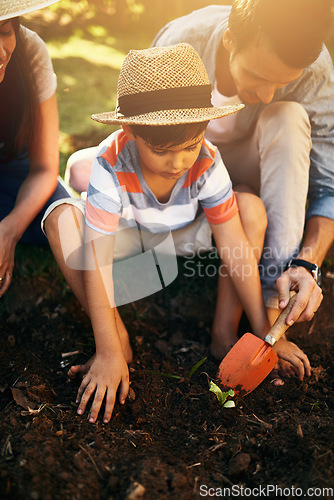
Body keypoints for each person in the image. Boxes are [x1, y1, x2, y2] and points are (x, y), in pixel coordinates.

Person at [43, 43, 311, 424]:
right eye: (162, 151)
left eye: (188, 147)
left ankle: (224, 334)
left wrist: (269, 334)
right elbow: (96, 258)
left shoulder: (206, 159)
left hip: (184, 237)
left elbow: (234, 244)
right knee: (60, 217)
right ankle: (116, 341)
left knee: (248, 208)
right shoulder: (109, 162)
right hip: (128, 242)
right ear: (130, 129)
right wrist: (106, 351)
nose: (178, 162)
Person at [151, 0, 333, 331]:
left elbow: (328, 188)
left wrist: (308, 263)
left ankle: (274, 308)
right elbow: (148, 143)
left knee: (287, 116)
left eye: (280, 84)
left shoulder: (315, 68)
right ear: (230, 39)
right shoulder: (180, 44)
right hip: (186, 174)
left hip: (254, 170)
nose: (266, 94)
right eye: (259, 76)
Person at [0, 0, 71, 297]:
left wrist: (9, 231)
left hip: (17, 168)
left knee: (66, 219)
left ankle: (112, 338)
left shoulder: (30, 51)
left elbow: (44, 169)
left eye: (5, 30)